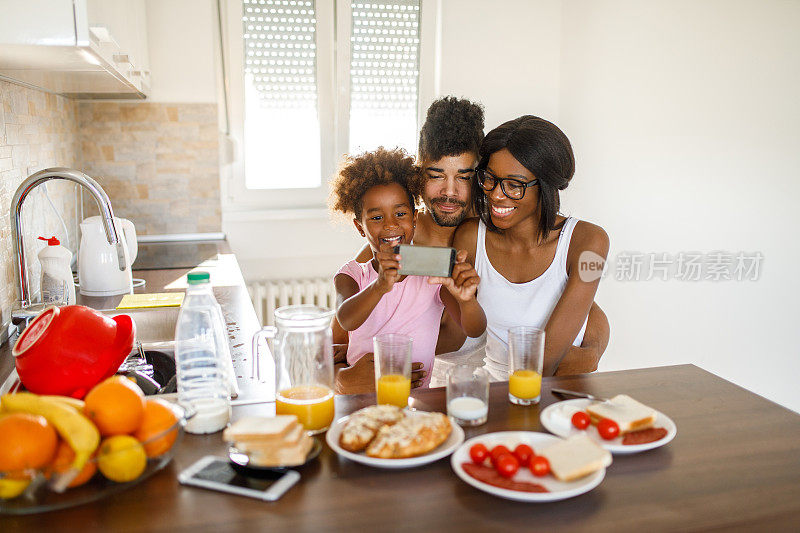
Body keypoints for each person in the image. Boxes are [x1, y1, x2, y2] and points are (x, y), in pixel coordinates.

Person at [334, 98, 610, 392]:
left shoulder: (494, 232)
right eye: (435, 175)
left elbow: (579, 309)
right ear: (418, 175)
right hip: (434, 389)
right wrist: (342, 379)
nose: (449, 192)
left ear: (479, 176)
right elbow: (340, 337)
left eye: (464, 177)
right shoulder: (401, 243)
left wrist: (592, 349)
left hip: (516, 387)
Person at [450, 115, 609, 378]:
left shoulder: (590, 242)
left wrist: (592, 350)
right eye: (490, 178)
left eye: (515, 185)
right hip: (494, 390)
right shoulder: (469, 237)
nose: (496, 194)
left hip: (560, 394)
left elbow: (545, 363)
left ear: (545, 187)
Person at [330, 147, 487, 389]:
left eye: (400, 213)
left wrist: (466, 300)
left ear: (415, 218)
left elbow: (474, 329)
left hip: (413, 401)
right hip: (358, 398)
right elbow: (346, 319)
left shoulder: (432, 273)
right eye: (376, 217)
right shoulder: (352, 273)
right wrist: (380, 286)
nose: (391, 224)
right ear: (360, 228)